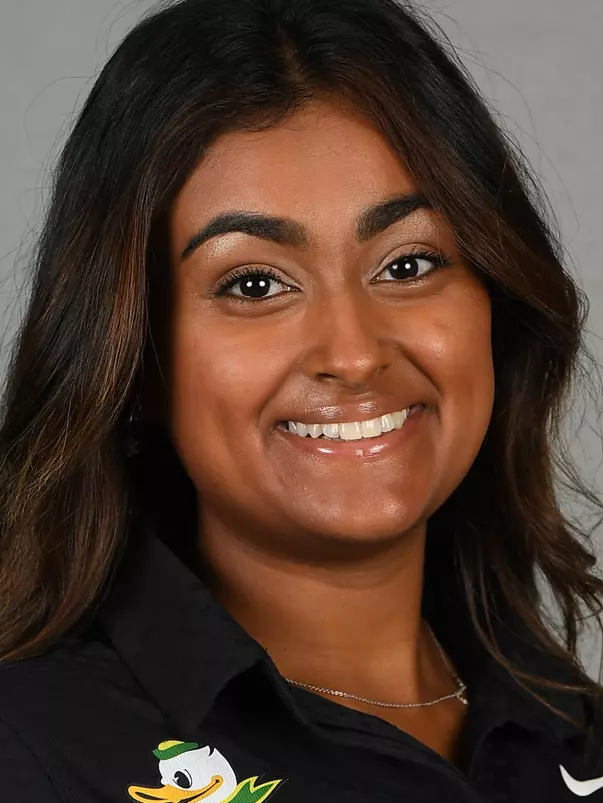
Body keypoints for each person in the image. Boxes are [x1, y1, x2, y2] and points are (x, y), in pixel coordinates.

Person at [0, 0, 602, 800]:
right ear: (135, 358)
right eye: (254, 283)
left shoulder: (572, 728)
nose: (353, 354)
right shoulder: (32, 747)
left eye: (407, 264)